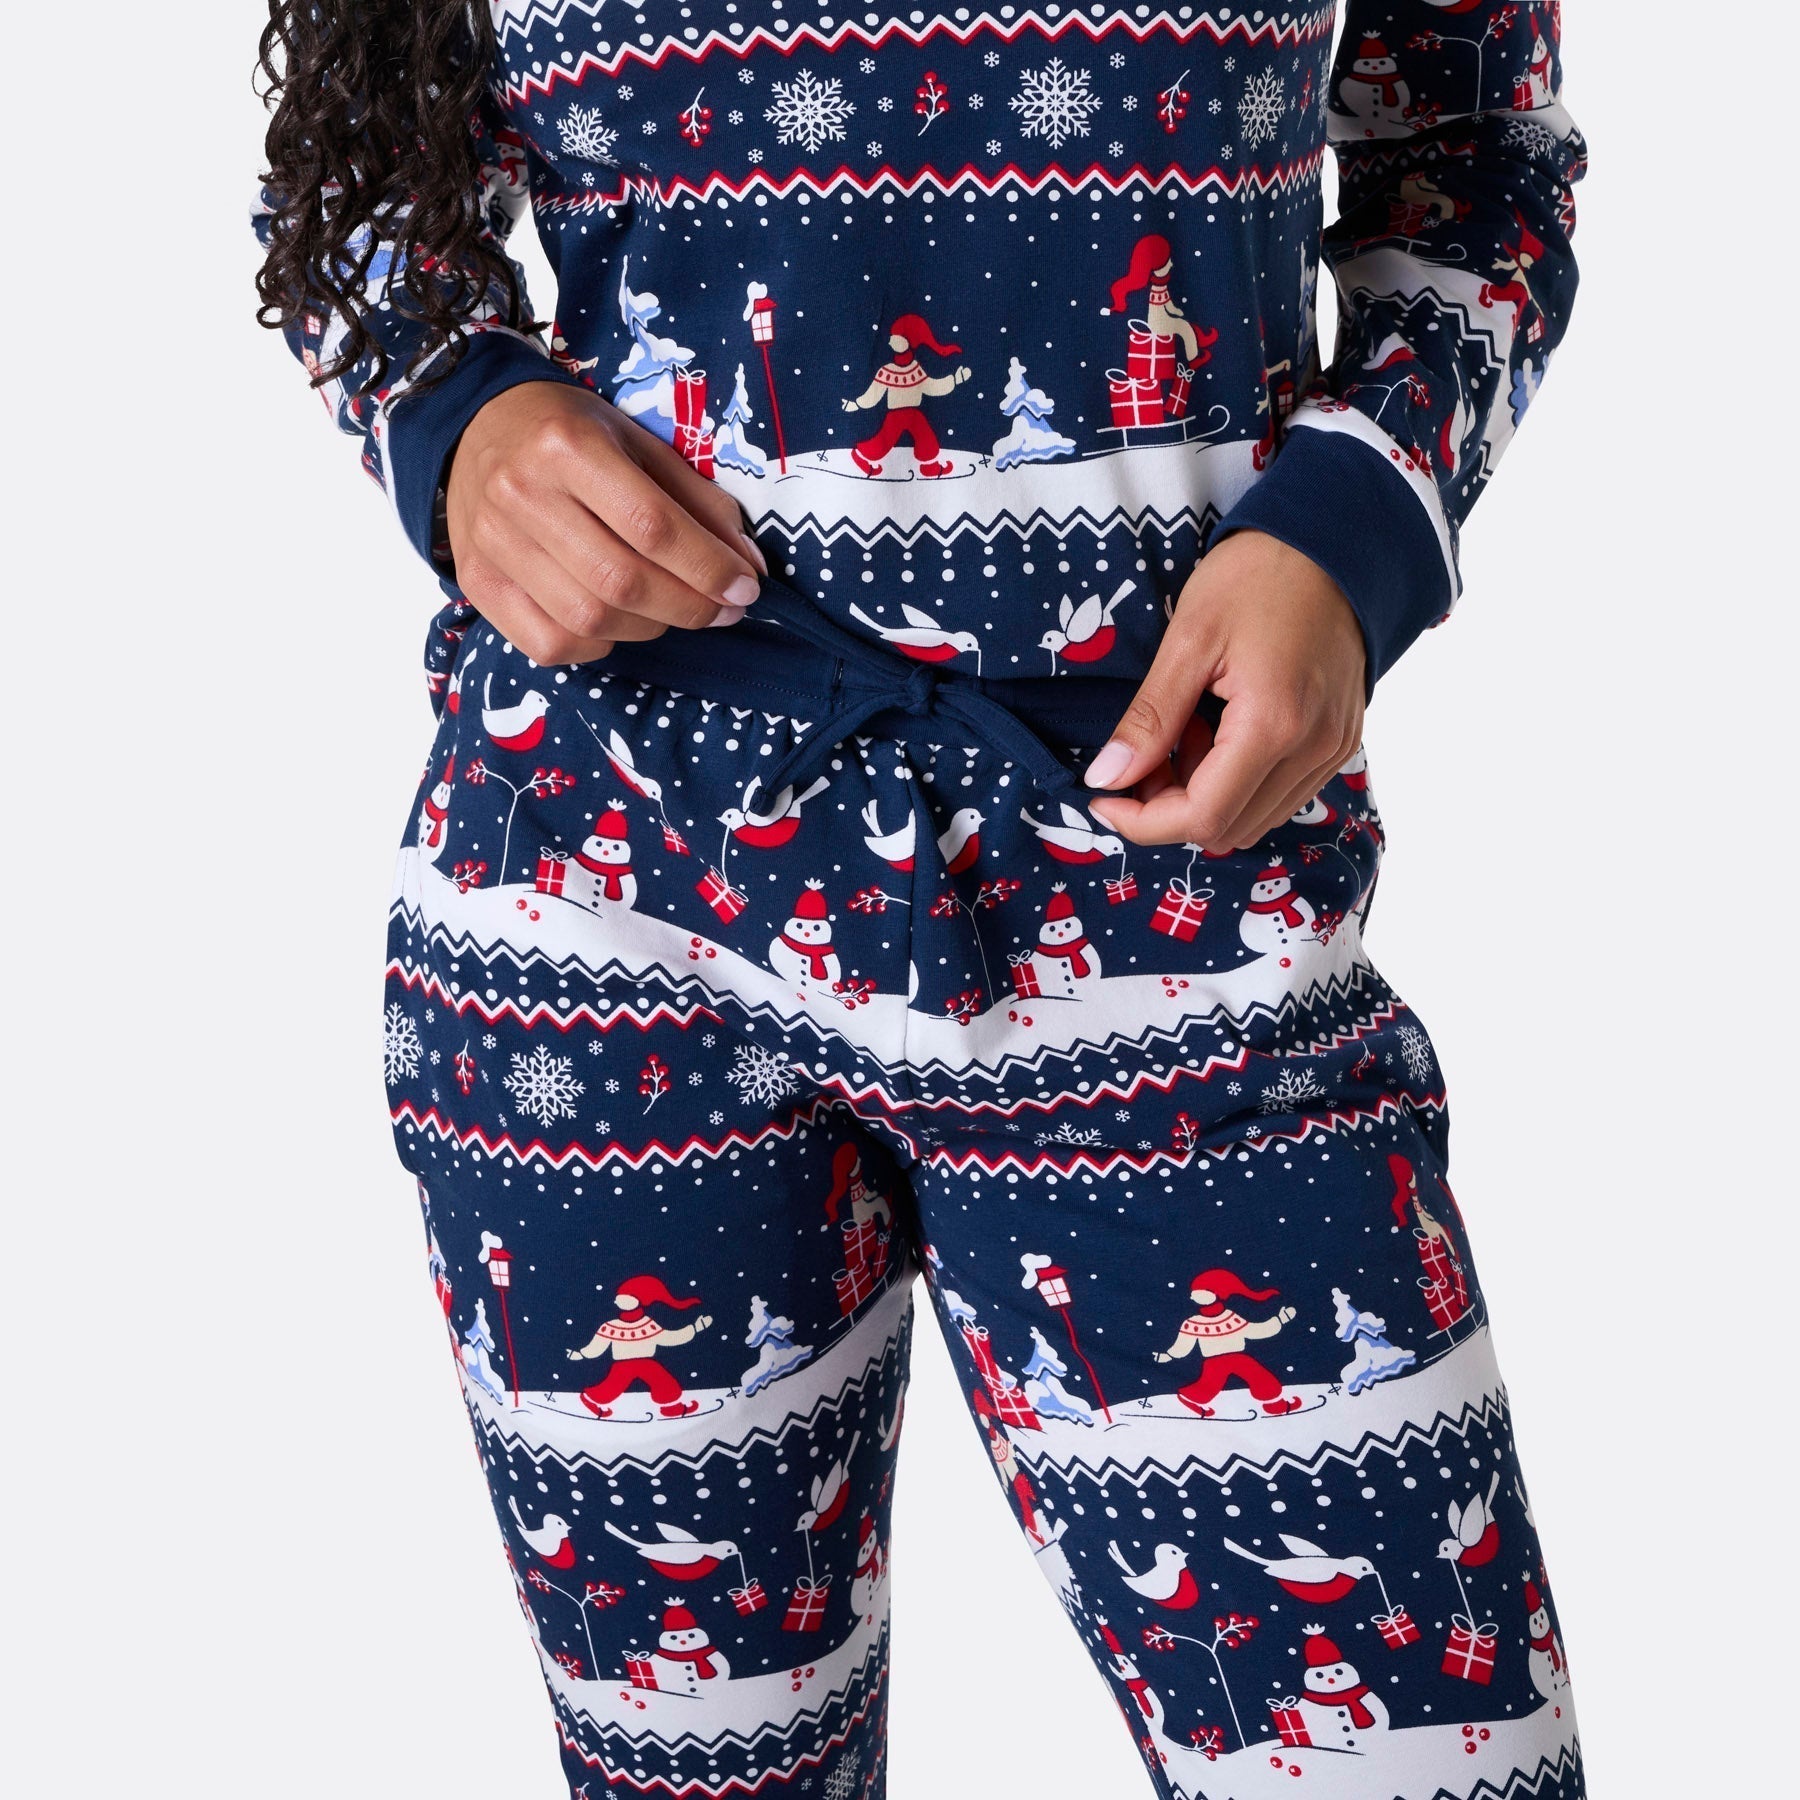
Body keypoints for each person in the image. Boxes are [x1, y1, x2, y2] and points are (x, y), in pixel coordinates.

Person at [254, 4, 1588, 1795]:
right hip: (601, 917)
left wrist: (1355, 533)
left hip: (1170, 897)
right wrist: (456, 417)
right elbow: (349, 175)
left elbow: (1480, 162)